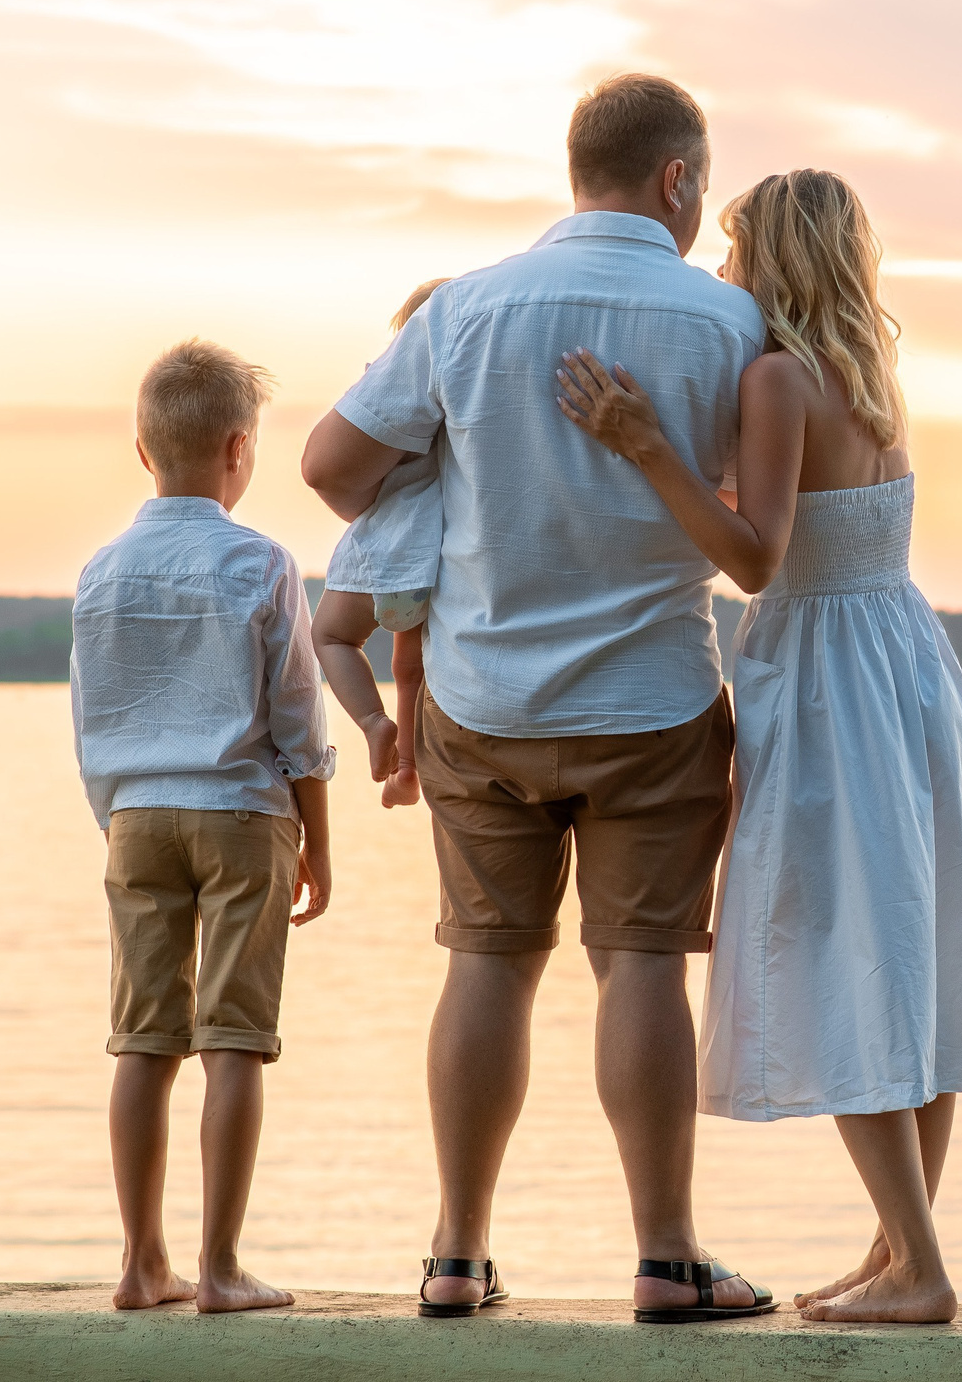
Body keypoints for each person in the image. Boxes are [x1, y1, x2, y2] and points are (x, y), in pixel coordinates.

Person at [300, 74, 777, 1322]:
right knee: (640, 970)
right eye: (702, 183)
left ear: (577, 166)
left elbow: (330, 469)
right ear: (677, 179)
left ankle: (456, 1254)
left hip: (482, 699)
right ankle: (668, 1260)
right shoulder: (725, 321)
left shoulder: (465, 309)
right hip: (655, 701)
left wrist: (459, 459)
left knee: (488, 967)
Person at [556, 168, 962, 1326]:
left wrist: (643, 445)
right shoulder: (871, 376)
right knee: (910, 957)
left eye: (734, 250)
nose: (722, 273)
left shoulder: (777, 376)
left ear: (774, 256)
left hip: (830, 681)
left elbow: (757, 559)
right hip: (902, 665)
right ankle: (894, 1247)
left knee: (847, 962)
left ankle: (918, 1266)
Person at [70, 338, 335, 1314]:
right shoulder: (260, 561)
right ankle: (222, 1266)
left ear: (143, 451)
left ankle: (142, 1263)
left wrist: (120, 816)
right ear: (239, 448)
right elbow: (299, 718)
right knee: (233, 1037)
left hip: (135, 814)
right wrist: (318, 841)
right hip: (241, 814)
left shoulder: (102, 570)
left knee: (143, 1036)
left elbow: (91, 716)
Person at [311, 277, 451, 808]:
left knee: (331, 637)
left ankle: (373, 722)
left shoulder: (391, 387)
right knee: (409, 667)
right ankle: (410, 770)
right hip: (439, 554)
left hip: (388, 549)